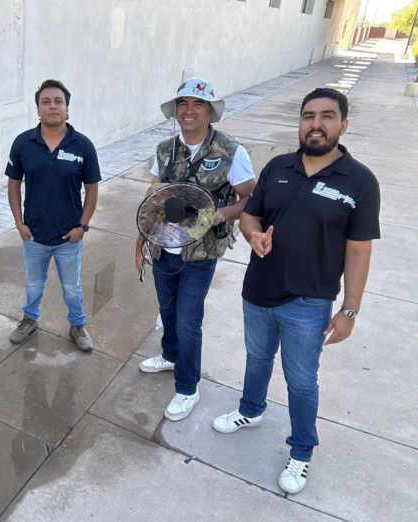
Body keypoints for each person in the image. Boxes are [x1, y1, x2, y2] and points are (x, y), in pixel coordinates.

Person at [212, 88, 380, 495]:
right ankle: (251, 410)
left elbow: (359, 251)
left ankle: (301, 450)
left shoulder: (360, 182)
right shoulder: (277, 167)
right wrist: (253, 236)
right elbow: (250, 217)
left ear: (343, 125)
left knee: (302, 381)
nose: (316, 124)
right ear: (300, 122)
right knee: (257, 358)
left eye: (326, 116)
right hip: (259, 289)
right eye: (308, 116)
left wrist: (349, 311)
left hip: (309, 300)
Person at [136, 78, 256, 421]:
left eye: (198, 104)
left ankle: (188, 388)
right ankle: (170, 355)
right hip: (163, 247)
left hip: (200, 254)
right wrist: (140, 239)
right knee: (167, 309)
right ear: (176, 110)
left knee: (189, 320)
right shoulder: (164, 149)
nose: (189, 111)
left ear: (209, 111)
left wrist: (224, 213)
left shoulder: (231, 151)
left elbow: (252, 197)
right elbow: (153, 195)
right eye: (183, 104)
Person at [6, 79, 101, 351]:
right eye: (45, 102)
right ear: (38, 109)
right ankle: (30, 319)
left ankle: (77, 324)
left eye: (58, 101)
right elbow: (13, 185)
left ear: (67, 108)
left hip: (68, 237)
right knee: (34, 285)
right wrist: (19, 223)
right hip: (33, 236)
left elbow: (92, 190)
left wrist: (82, 226)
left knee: (72, 288)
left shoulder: (83, 146)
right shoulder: (23, 143)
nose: (52, 106)